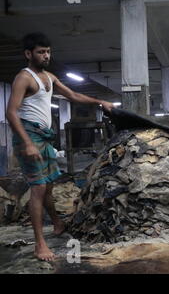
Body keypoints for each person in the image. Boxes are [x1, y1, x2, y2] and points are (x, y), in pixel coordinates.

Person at [6, 32, 114, 261]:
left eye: (48, 52)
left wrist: (99, 102)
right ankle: (40, 245)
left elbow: (73, 95)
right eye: (40, 52)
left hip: (44, 139)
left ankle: (57, 224)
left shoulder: (50, 77)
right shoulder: (23, 78)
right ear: (28, 54)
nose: (45, 56)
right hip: (29, 137)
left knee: (49, 185)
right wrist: (27, 144)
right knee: (38, 188)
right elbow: (11, 113)